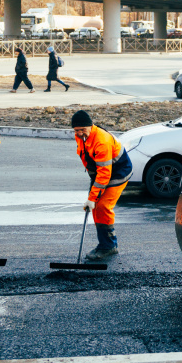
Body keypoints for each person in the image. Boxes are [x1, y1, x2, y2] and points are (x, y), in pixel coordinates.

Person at [72, 110, 133, 261]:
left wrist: (93, 197)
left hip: (118, 171)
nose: (79, 133)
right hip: (100, 172)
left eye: (82, 130)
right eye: (76, 130)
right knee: (94, 207)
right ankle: (104, 244)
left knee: (103, 206)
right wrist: (93, 193)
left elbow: (105, 174)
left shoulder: (102, 141)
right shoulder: (82, 136)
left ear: (90, 126)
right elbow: (89, 158)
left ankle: (109, 246)